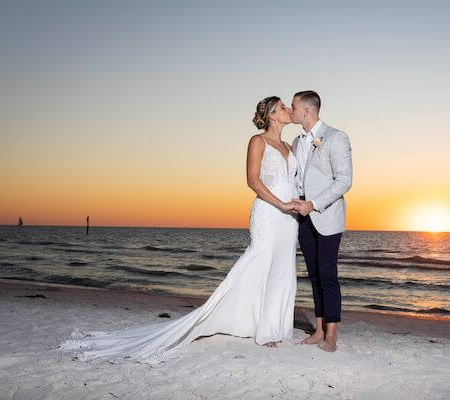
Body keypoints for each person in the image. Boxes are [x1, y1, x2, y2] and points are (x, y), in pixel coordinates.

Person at [59, 96, 300, 363]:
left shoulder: (290, 145)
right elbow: (252, 181)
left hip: (289, 219)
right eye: (283, 108)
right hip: (269, 213)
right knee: (258, 262)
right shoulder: (258, 141)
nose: (289, 110)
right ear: (271, 116)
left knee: (282, 269)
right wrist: (280, 204)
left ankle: (274, 326)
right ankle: (248, 325)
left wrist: (298, 205)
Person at [290, 90, 353, 352]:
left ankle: (332, 334)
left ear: (306, 110)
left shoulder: (336, 137)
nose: (291, 111)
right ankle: (318, 330)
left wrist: (313, 204)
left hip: (325, 215)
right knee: (314, 276)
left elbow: (344, 181)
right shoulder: (296, 142)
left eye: (293, 107)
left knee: (328, 276)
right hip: (302, 218)